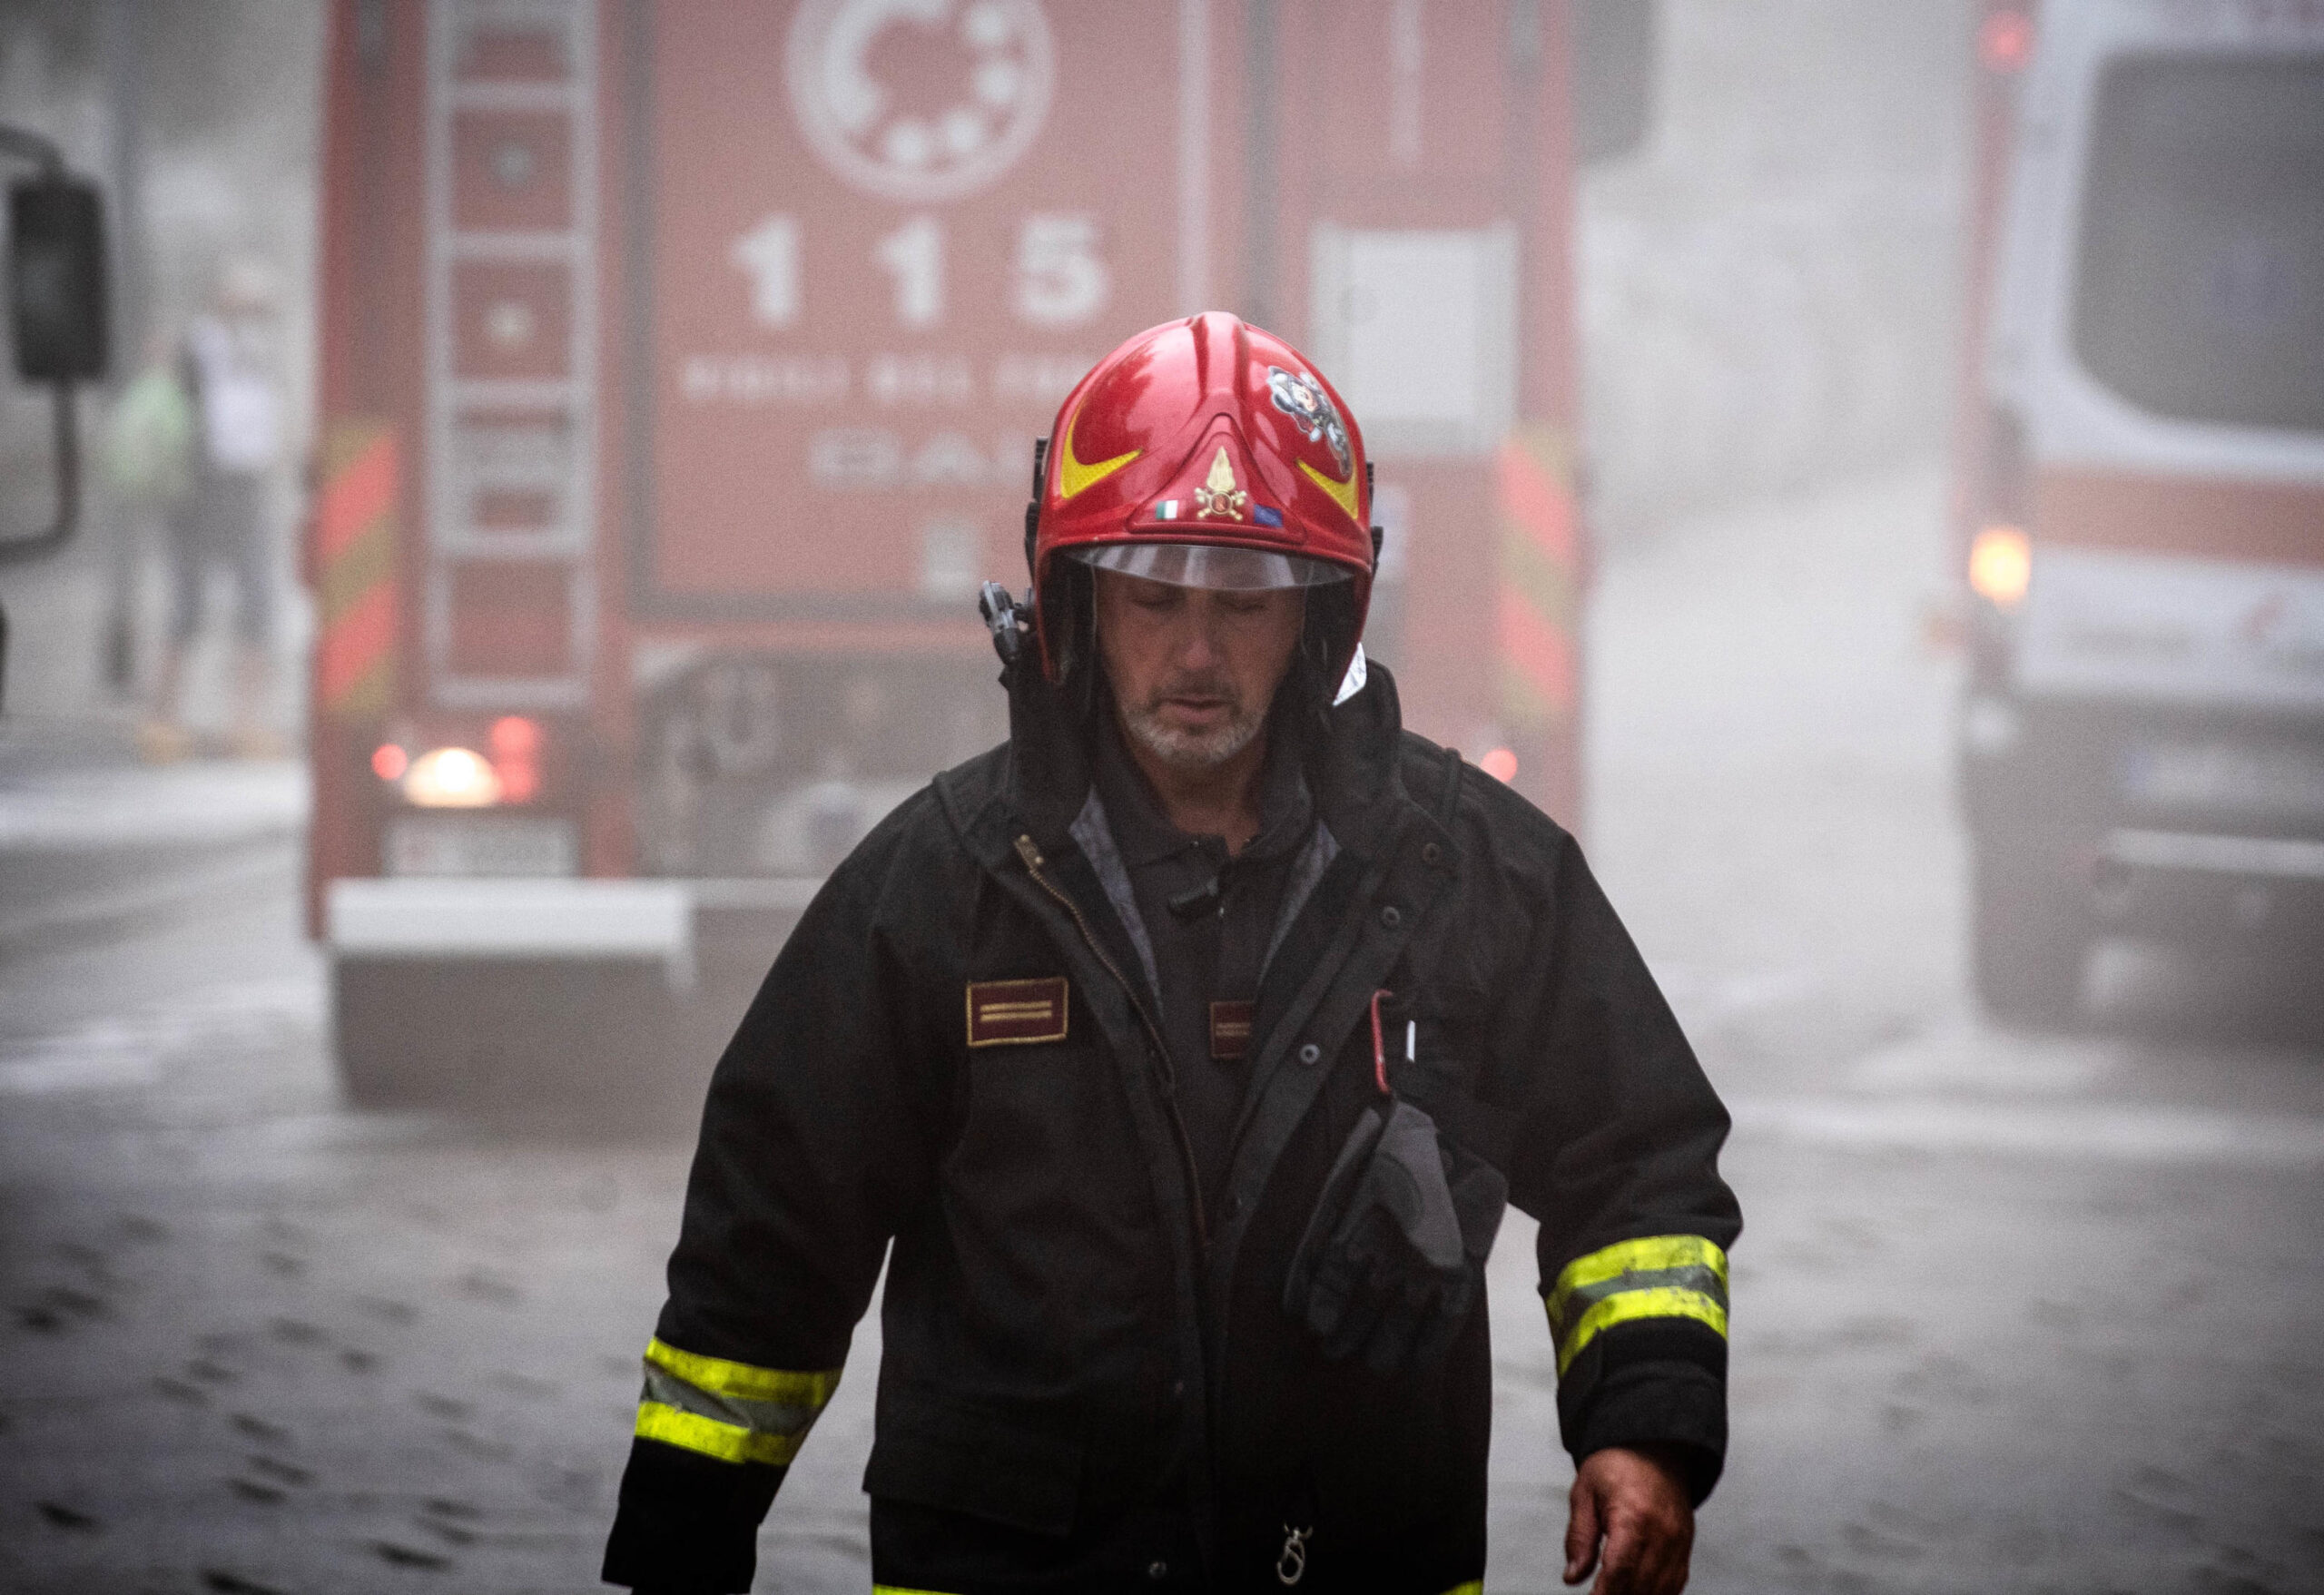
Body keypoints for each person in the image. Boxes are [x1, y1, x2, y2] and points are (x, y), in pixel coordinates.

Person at [603, 314, 1740, 1595]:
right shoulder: (940, 885)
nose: (1197, 652)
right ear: (1076, 600)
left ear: (1319, 616)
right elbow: (770, 1241)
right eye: (1154, 598)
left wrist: (1643, 1426)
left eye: (1243, 604)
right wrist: (679, 1547)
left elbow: (1638, 1162)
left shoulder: (1470, 873)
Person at [140, 259, 285, 762]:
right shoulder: (194, 348)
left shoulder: (255, 349)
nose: (254, 311)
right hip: (197, 493)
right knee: (188, 607)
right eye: (244, 301)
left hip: (246, 488)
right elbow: (171, 419)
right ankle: (161, 721)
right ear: (220, 300)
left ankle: (245, 725)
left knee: (258, 604)